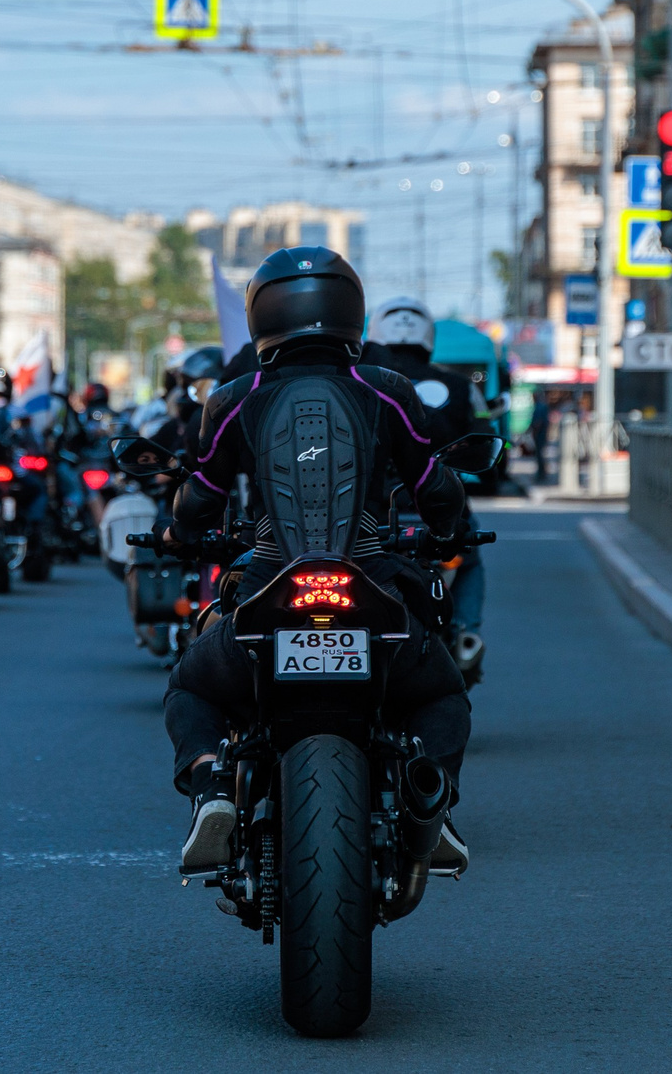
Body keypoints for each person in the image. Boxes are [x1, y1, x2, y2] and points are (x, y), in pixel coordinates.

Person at [165, 246, 473, 879]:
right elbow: (433, 484)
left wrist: (178, 529)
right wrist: (449, 527)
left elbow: (200, 498)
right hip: (372, 585)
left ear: (262, 315)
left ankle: (212, 789)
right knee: (442, 690)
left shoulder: (232, 397)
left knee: (193, 684)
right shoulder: (385, 389)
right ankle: (430, 801)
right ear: (350, 310)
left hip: (265, 589)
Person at [369, 295, 492, 678]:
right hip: (434, 508)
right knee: (468, 560)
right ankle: (466, 635)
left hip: (366, 510)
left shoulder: (354, 382)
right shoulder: (457, 385)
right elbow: (484, 438)